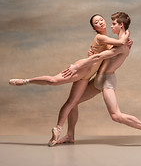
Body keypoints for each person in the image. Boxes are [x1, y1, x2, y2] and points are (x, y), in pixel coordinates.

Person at [9, 14, 130, 146]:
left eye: (101, 19)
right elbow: (121, 43)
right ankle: (26, 81)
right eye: (96, 22)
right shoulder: (100, 37)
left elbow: (114, 52)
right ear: (93, 27)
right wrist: (127, 33)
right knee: (53, 81)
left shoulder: (108, 41)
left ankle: (61, 130)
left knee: (72, 102)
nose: (100, 22)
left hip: (87, 76)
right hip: (82, 69)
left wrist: (126, 42)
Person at [55, 12, 141, 147]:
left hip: (107, 81)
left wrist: (77, 66)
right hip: (99, 79)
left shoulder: (123, 45)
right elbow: (99, 54)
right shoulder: (118, 42)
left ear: (121, 25)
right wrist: (91, 53)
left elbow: (99, 57)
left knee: (116, 116)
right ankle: (70, 135)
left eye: (114, 23)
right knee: (73, 103)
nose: (111, 26)